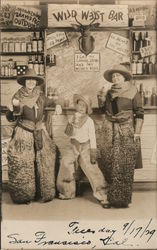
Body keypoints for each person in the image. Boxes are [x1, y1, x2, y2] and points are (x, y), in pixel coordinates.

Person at [6, 68, 62, 204]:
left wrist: (58, 105)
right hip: (23, 131)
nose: (30, 82)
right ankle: (24, 194)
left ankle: (43, 192)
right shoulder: (17, 97)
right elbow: (10, 117)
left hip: (39, 131)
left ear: (36, 82)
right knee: (24, 163)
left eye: (33, 80)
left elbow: (51, 103)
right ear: (24, 82)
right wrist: (11, 110)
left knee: (43, 161)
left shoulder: (40, 96)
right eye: (28, 80)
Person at [97, 64, 144, 208]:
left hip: (127, 129)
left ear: (124, 77)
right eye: (113, 77)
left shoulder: (133, 91)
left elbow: (139, 112)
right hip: (110, 129)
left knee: (124, 165)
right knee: (109, 162)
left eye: (118, 76)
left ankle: (123, 199)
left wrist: (137, 132)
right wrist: (102, 97)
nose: (115, 78)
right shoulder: (109, 92)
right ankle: (110, 198)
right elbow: (102, 110)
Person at [56, 94, 107, 207]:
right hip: (73, 144)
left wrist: (93, 151)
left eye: (84, 106)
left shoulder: (89, 121)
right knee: (65, 162)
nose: (81, 107)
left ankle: (103, 194)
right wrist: (69, 123)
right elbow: (68, 134)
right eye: (79, 105)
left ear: (87, 108)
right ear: (76, 106)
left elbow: (92, 136)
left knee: (91, 167)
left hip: (86, 146)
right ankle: (67, 192)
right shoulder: (73, 117)